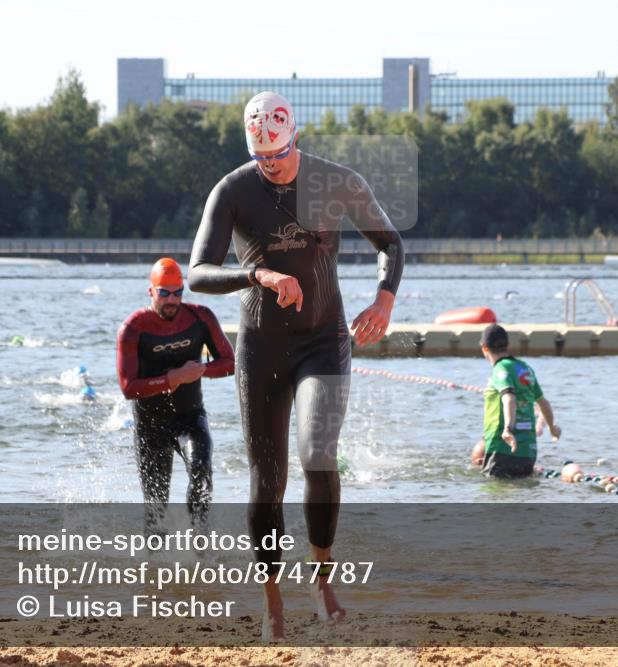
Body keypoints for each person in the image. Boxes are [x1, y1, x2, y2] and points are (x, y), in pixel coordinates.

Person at [188, 91, 404, 641]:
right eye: (262, 158)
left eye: (279, 156)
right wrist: (257, 275)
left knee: (318, 455)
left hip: (322, 340)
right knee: (267, 481)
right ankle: (271, 597)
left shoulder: (336, 182)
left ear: (295, 139)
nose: (271, 166)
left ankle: (322, 576)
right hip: (261, 345)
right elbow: (197, 273)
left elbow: (389, 242)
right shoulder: (233, 190)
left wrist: (383, 298)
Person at [116, 258, 235, 528]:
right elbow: (128, 387)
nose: (172, 300)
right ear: (151, 291)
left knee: (201, 471)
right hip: (150, 426)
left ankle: (200, 547)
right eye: (164, 292)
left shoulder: (200, 318)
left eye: (177, 292)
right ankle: (155, 566)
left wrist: (201, 370)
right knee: (156, 510)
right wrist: (171, 379)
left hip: (190, 418)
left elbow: (230, 363)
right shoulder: (133, 328)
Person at [476, 325, 560, 478]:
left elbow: (509, 398)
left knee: (494, 495)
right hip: (528, 450)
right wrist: (552, 428)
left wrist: (508, 429)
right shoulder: (525, 368)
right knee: (521, 492)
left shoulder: (500, 369)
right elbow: (543, 403)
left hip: (502, 447)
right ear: (507, 345)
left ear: (484, 347)